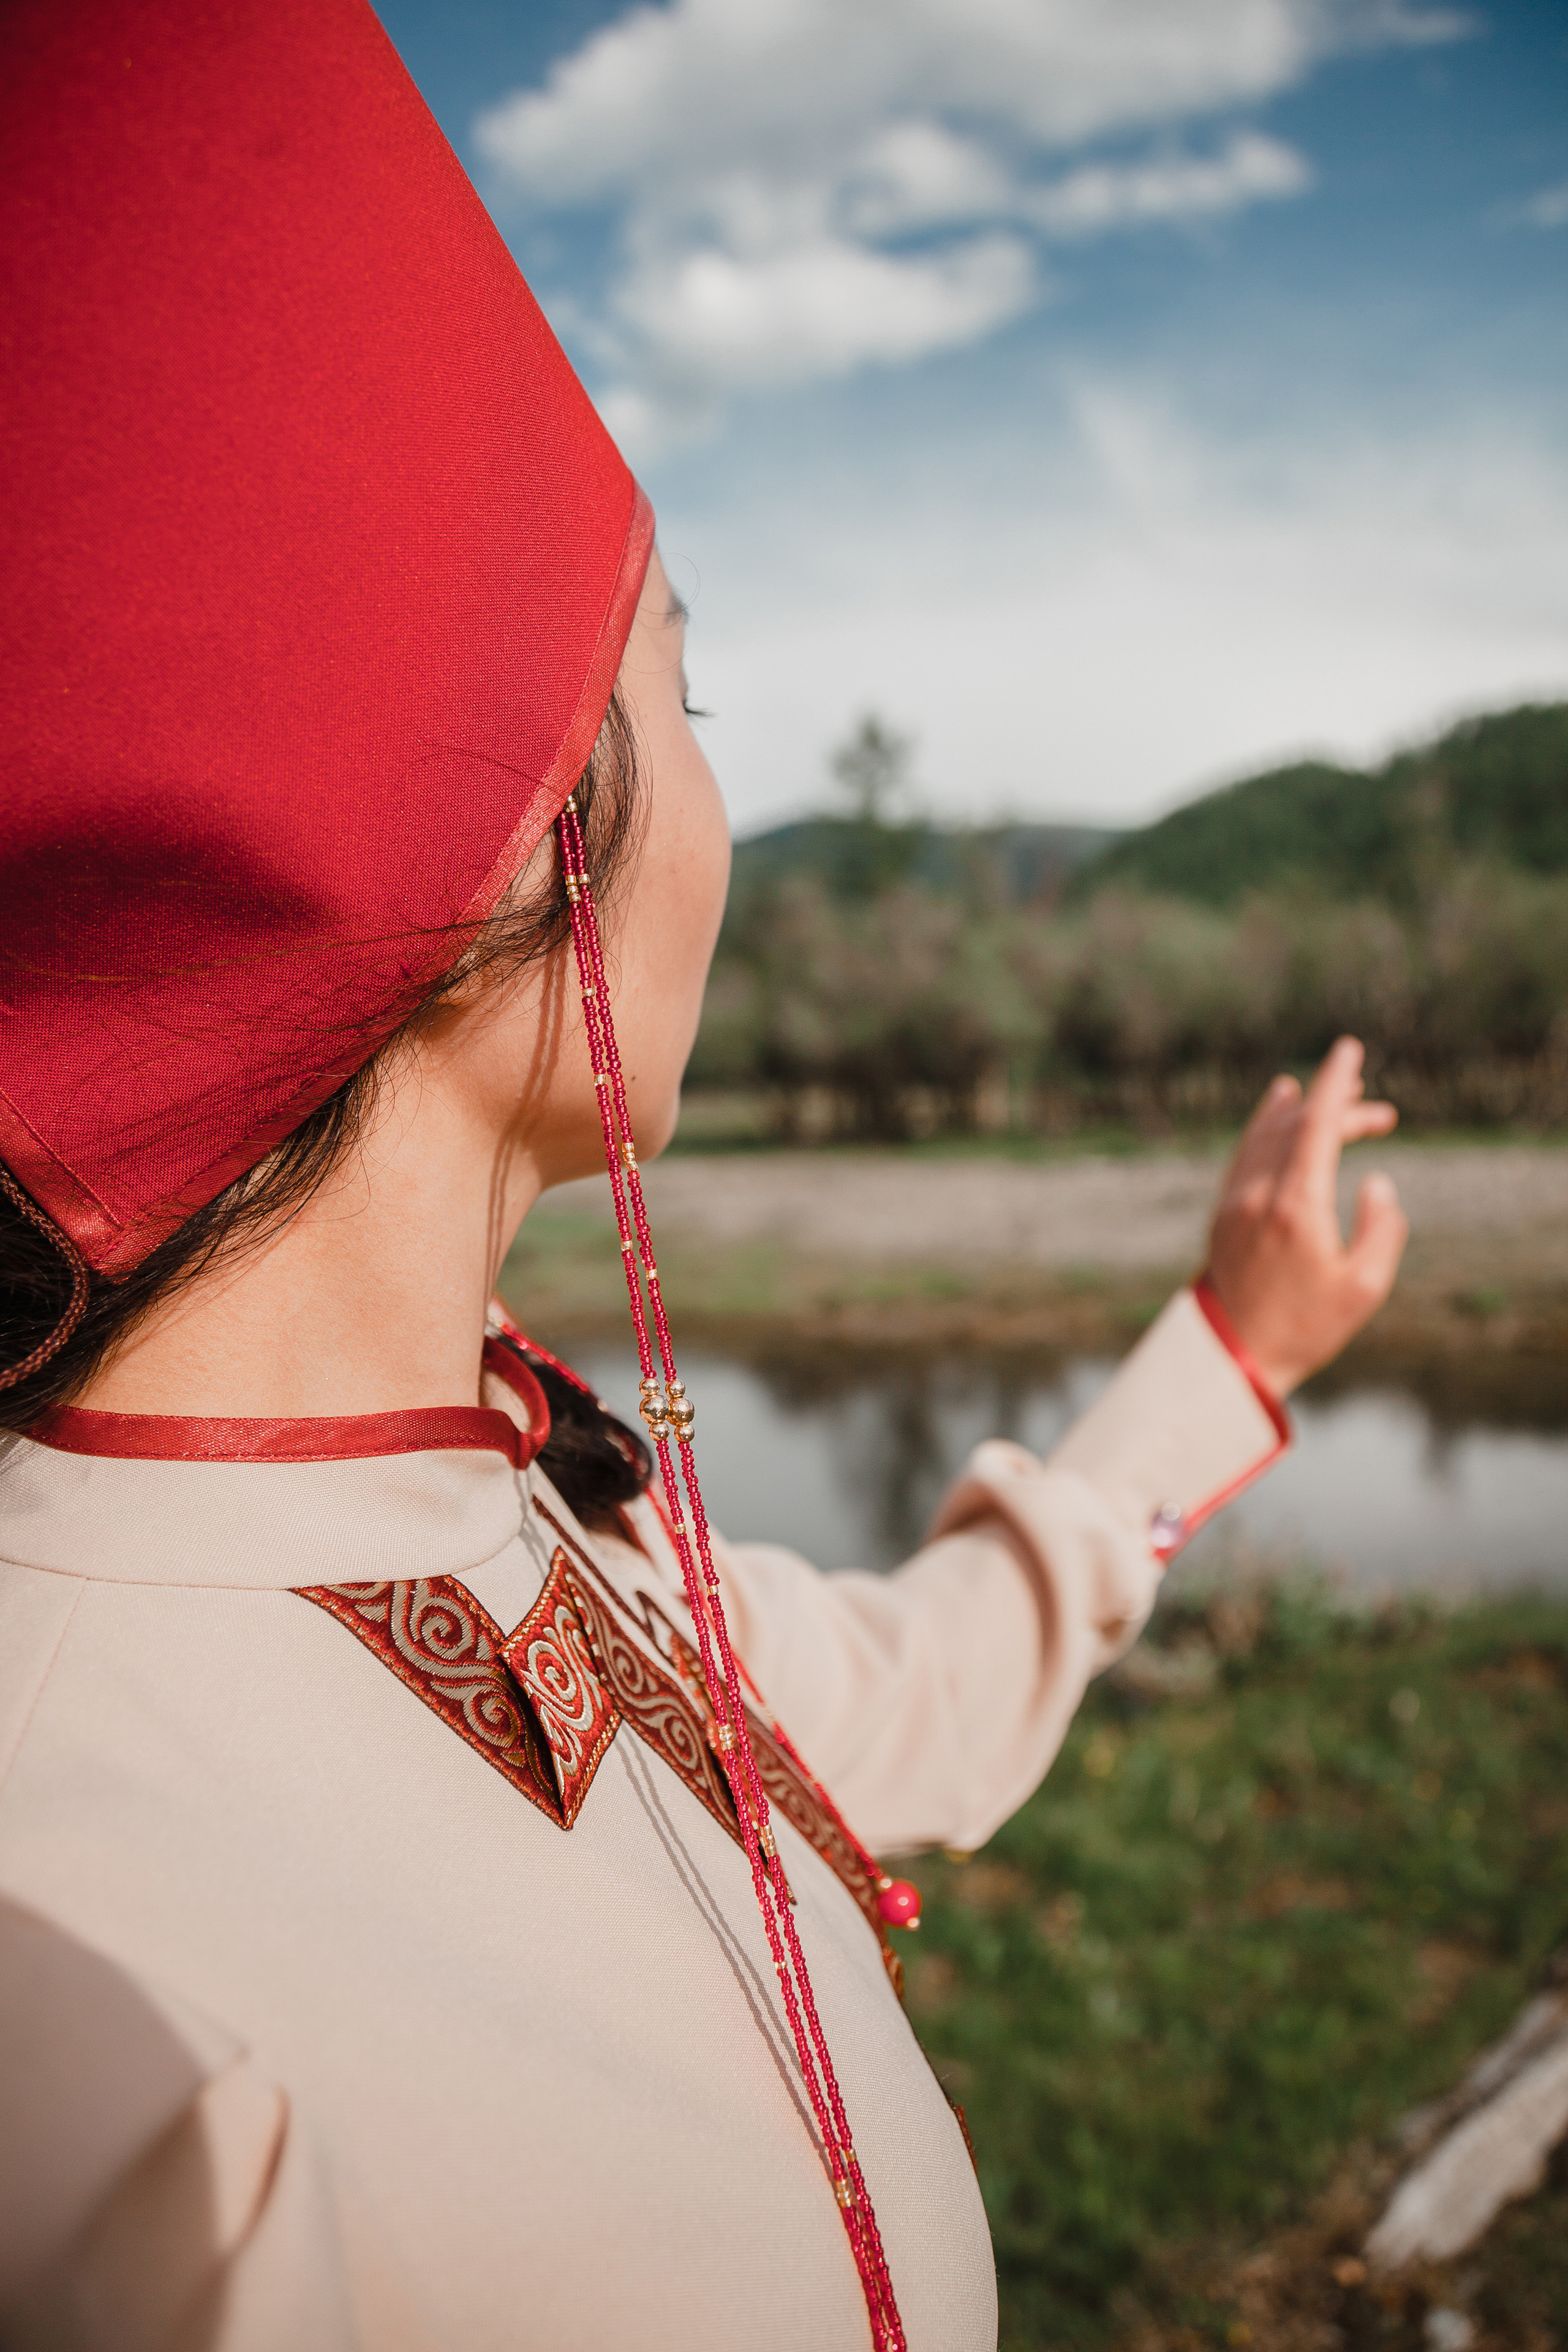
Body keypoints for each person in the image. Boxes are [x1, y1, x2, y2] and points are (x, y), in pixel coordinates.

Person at [0, 4, 1409, 2347]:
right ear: (506, 846)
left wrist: (1228, 1357)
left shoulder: (506, 1497)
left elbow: (890, 1685)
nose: (723, 817)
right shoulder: (93, 2029)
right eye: (688, 698)